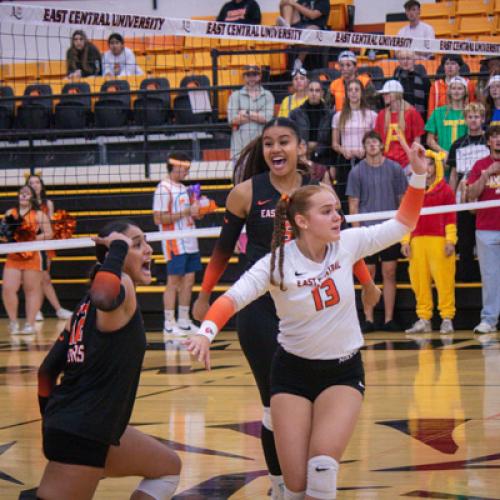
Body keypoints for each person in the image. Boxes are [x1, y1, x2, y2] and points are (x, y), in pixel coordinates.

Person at [187, 143, 428, 499]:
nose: (338, 218)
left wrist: (419, 174)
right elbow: (232, 298)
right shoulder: (277, 263)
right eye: (328, 211)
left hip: (342, 373)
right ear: (301, 221)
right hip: (291, 376)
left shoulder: (347, 244)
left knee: (322, 470)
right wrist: (206, 333)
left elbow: (404, 222)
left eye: (337, 210)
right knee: (294, 487)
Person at [37, 220, 181, 500]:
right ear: (115, 258)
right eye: (136, 245)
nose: (148, 250)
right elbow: (105, 294)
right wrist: (117, 246)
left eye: (144, 241)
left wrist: (52, 422)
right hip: (83, 430)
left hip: (82, 425)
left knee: (167, 467)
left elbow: (45, 373)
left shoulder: (82, 307)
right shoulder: (119, 287)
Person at [347, 130, 409, 332]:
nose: (372, 145)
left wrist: (404, 233)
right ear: (364, 148)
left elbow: (403, 201)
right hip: (367, 232)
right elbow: (353, 205)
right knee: (369, 274)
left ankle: (389, 319)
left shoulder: (395, 169)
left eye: (376, 142)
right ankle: (368, 319)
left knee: (389, 273)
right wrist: (356, 236)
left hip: (390, 230)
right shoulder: (356, 172)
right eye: (368, 143)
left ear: (382, 145)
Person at [403, 150, 457, 334]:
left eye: (430, 163)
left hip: (439, 241)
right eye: (423, 162)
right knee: (418, 281)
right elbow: (406, 217)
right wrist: (405, 242)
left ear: (436, 167)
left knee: (444, 281)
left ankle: (447, 318)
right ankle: (424, 319)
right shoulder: (413, 191)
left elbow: (451, 217)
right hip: (417, 242)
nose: (427, 166)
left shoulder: (446, 190)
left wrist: (450, 240)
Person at [153, 153, 204, 335]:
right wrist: (185, 212)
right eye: (185, 169)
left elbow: (192, 213)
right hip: (173, 241)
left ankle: (183, 320)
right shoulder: (162, 188)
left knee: (189, 280)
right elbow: (158, 218)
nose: (187, 172)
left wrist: (199, 210)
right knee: (173, 281)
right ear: (175, 167)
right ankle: (169, 322)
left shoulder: (184, 188)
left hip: (190, 240)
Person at [1, 185, 53, 335]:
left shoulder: (39, 214)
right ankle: (13, 322)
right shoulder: (11, 213)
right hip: (14, 256)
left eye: (27, 193)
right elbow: (4, 234)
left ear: (31, 197)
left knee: (31, 290)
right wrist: (10, 238)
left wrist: (31, 238)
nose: (23, 196)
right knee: (8, 289)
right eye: (21, 193)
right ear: (18, 196)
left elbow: (49, 233)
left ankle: (30, 324)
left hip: (32, 257)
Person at [448, 103, 489, 282]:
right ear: (465, 119)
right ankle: (466, 276)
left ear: (483, 119)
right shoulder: (457, 144)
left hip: (486, 195)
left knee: (485, 237)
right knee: (464, 239)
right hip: (463, 196)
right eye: (470, 117)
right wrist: (450, 199)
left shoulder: (490, 141)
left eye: (477, 116)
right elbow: (453, 174)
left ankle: (486, 276)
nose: (473, 120)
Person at [25, 174, 73, 322]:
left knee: (44, 278)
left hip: (46, 245)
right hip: (32, 245)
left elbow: (51, 226)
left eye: (37, 182)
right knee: (40, 279)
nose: (35, 185)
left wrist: (60, 228)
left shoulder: (48, 203)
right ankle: (53, 310)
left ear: (41, 185)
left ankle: (41, 310)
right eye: (31, 183)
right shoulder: (26, 203)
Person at [467, 125, 500, 334]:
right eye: (495, 137)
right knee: (490, 277)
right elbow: (471, 195)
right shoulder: (480, 165)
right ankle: (489, 319)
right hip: (486, 229)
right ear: (488, 141)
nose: (498, 140)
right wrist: (487, 174)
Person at [331, 78, 377, 206]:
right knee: (346, 195)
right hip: (345, 160)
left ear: (362, 92)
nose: (353, 93)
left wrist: (366, 150)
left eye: (356, 89)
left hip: (366, 159)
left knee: (366, 193)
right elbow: (334, 143)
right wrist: (343, 150)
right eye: (350, 90)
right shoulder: (338, 116)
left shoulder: (372, 115)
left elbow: (377, 140)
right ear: (346, 93)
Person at [228, 65, 275, 164]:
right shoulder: (235, 95)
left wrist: (246, 112)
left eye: (254, 74)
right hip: (239, 150)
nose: (251, 78)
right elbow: (232, 120)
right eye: (248, 75)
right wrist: (257, 116)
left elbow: (267, 118)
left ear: (259, 76)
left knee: (261, 179)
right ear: (244, 77)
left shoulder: (268, 95)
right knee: (240, 179)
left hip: (261, 149)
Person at [374, 79, 425, 169]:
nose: (384, 96)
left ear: (396, 94)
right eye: (384, 94)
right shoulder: (382, 114)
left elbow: (417, 143)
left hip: (408, 164)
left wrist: (414, 163)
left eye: (387, 93)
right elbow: (378, 141)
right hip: (386, 164)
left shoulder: (412, 113)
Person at [426, 76, 468, 169]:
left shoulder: (469, 112)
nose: (456, 91)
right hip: (443, 162)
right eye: (453, 88)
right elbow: (429, 140)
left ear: (465, 91)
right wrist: (443, 153)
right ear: (449, 91)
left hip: (465, 160)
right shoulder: (438, 112)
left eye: (460, 88)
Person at [276, 0, 330, 71]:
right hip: (300, 27)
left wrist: (293, 3)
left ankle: (299, 62)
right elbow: (287, 9)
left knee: (310, 32)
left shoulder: (324, 1)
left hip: (316, 30)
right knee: (287, 3)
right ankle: (287, 30)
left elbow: (312, 16)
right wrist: (282, 4)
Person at [289, 78, 333, 157]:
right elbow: (291, 135)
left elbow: (330, 140)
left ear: (322, 93)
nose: (314, 93)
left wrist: (317, 148)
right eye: (311, 90)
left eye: (317, 91)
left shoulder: (330, 114)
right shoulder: (295, 114)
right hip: (301, 154)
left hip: (323, 156)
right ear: (306, 92)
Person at [428, 54, 475, 119]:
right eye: (447, 64)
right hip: (441, 124)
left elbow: (473, 107)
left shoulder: (468, 84)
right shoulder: (435, 86)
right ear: (443, 67)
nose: (450, 66)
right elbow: (431, 111)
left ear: (459, 66)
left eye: (453, 63)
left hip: (462, 122)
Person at [393, 50, 430, 121]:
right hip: (400, 118)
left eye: (408, 58)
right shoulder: (396, 78)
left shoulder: (423, 79)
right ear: (399, 61)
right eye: (402, 59)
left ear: (414, 60)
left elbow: (427, 102)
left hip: (419, 119)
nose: (405, 61)